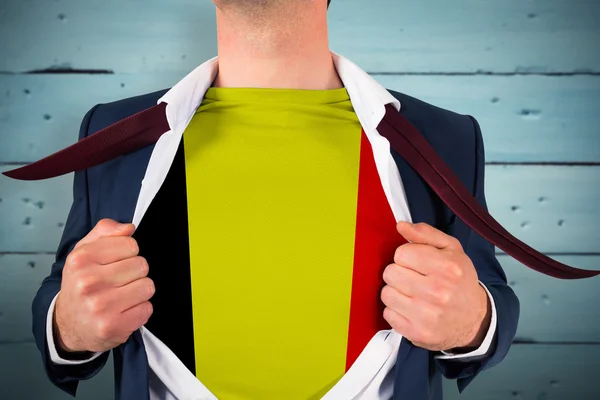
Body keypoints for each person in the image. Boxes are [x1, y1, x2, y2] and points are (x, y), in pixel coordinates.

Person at [24, 0, 520, 399]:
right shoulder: (112, 134)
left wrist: (473, 320)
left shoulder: (445, 137)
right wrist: (69, 324)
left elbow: (490, 299)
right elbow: (62, 296)